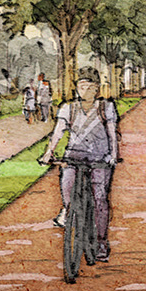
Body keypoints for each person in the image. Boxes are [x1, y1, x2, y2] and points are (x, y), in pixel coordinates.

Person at [41, 73, 120, 262]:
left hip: (99, 157)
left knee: (100, 199)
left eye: (89, 87)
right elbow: (58, 131)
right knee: (67, 186)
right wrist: (48, 152)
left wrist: (113, 156)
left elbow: (112, 133)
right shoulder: (68, 108)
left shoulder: (106, 107)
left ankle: (101, 243)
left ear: (96, 90)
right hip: (74, 156)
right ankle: (67, 209)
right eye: (81, 87)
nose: (84, 91)